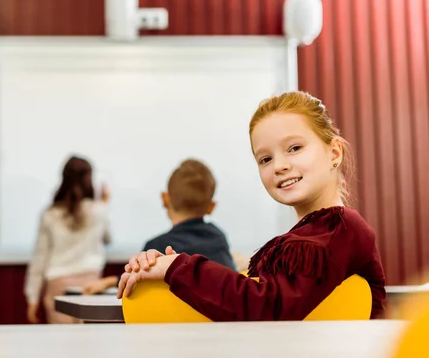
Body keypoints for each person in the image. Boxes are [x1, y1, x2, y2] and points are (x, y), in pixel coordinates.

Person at [117, 91, 387, 321]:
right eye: (265, 159)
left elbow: (267, 307)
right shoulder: (312, 235)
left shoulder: (340, 230)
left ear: (334, 153)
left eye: (294, 148)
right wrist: (162, 267)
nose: (279, 166)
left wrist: (176, 266)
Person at [83, 159, 236, 295]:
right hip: (217, 326)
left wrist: (109, 281)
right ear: (211, 207)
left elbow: (135, 283)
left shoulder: (154, 249)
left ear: (164, 199)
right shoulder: (219, 240)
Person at [25, 156, 111, 324]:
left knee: (61, 345)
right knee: (90, 347)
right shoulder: (99, 211)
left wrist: (32, 298)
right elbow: (107, 239)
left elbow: (40, 258)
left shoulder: (50, 214)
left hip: (58, 284)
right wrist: (105, 203)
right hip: (90, 284)